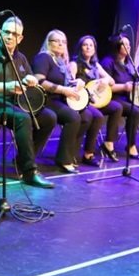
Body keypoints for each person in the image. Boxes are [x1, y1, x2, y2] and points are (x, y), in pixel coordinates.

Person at [0, 15, 57, 188]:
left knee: (49, 117)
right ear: (0, 33)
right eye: (6, 32)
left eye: (14, 34)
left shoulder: (21, 58)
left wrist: (30, 79)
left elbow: (28, 76)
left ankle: (24, 159)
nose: (9, 36)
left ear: (20, 38)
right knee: (23, 118)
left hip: (16, 103)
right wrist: (8, 86)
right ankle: (29, 172)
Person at [32, 29, 89, 172]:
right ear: (48, 42)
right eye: (56, 41)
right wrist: (63, 90)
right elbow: (40, 81)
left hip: (60, 100)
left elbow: (68, 83)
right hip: (45, 100)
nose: (60, 44)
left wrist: (77, 82)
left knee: (87, 116)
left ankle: (71, 154)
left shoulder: (61, 62)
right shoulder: (43, 58)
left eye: (63, 42)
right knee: (73, 117)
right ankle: (63, 159)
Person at [101, 34, 139, 158]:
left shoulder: (129, 63)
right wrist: (124, 87)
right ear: (117, 46)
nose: (128, 46)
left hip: (128, 97)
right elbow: (105, 86)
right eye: (124, 44)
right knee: (135, 111)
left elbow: (133, 83)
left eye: (129, 44)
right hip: (113, 97)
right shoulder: (108, 62)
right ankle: (130, 145)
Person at [71, 34, 124, 165]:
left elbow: (112, 81)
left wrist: (104, 80)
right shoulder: (74, 64)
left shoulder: (96, 65)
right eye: (85, 45)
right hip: (81, 101)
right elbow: (70, 84)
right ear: (80, 48)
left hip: (96, 101)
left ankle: (109, 142)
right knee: (98, 117)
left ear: (94, 49)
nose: (88, 47)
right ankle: (88, 153)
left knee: (117, 107)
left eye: (91, 45)